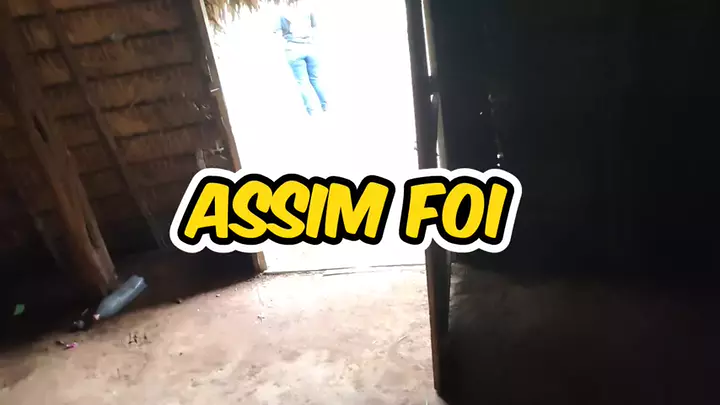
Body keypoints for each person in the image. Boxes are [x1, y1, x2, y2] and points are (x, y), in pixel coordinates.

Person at [275, 1, 328, 115]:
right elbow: (315, 26)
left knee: (302, 82)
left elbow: (276, 31)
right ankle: (325, 106)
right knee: (315, 79)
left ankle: (310, 111)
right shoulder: (308, 7)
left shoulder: (282, 11)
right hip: (309, 46)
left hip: (293, 48)